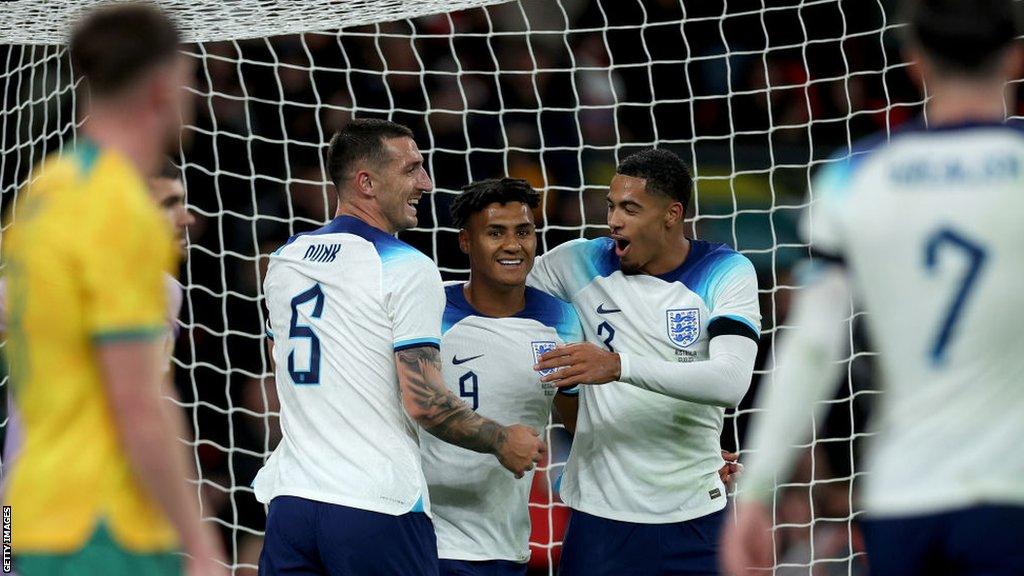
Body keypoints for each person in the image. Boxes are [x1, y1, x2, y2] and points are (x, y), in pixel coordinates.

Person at [720, 1, 1024, 575]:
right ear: (1015, 57)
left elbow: (811, 348)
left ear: (914, 64)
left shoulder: (854, 175)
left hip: (902, 494)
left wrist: (757, 492)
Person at [255, 120, 546, 576]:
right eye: (411, 169)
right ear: (366, 183)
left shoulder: (285, 258)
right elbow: (425, 402)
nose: (425, 183)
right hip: (375, 505)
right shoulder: (407, 267)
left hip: (292, 501)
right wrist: (501, 439)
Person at [3, 4, 225, 576]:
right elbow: (138, 403)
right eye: (189, 75)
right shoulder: (119, 211)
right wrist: (199, 545)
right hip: (104, 525)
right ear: (162, 86)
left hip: (30, 508)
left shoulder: (44, 192)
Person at [528, 148, 762, 575]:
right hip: (601, 517)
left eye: (630, 209)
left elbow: (731, 381)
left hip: (697, 514)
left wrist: (617, 366)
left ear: (671, 214)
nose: (614, 220)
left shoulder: (726, 270)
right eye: (612, 206)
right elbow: (499, 298)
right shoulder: (574, 263)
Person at [419, 178, 583, 576]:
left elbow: (583, 425)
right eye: (495, 232)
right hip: (418, 536)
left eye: (524, 232)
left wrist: (682, 455)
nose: (513, 245)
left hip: (502, 545)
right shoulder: (426, 306)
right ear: (465, 241)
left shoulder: (561, 321)